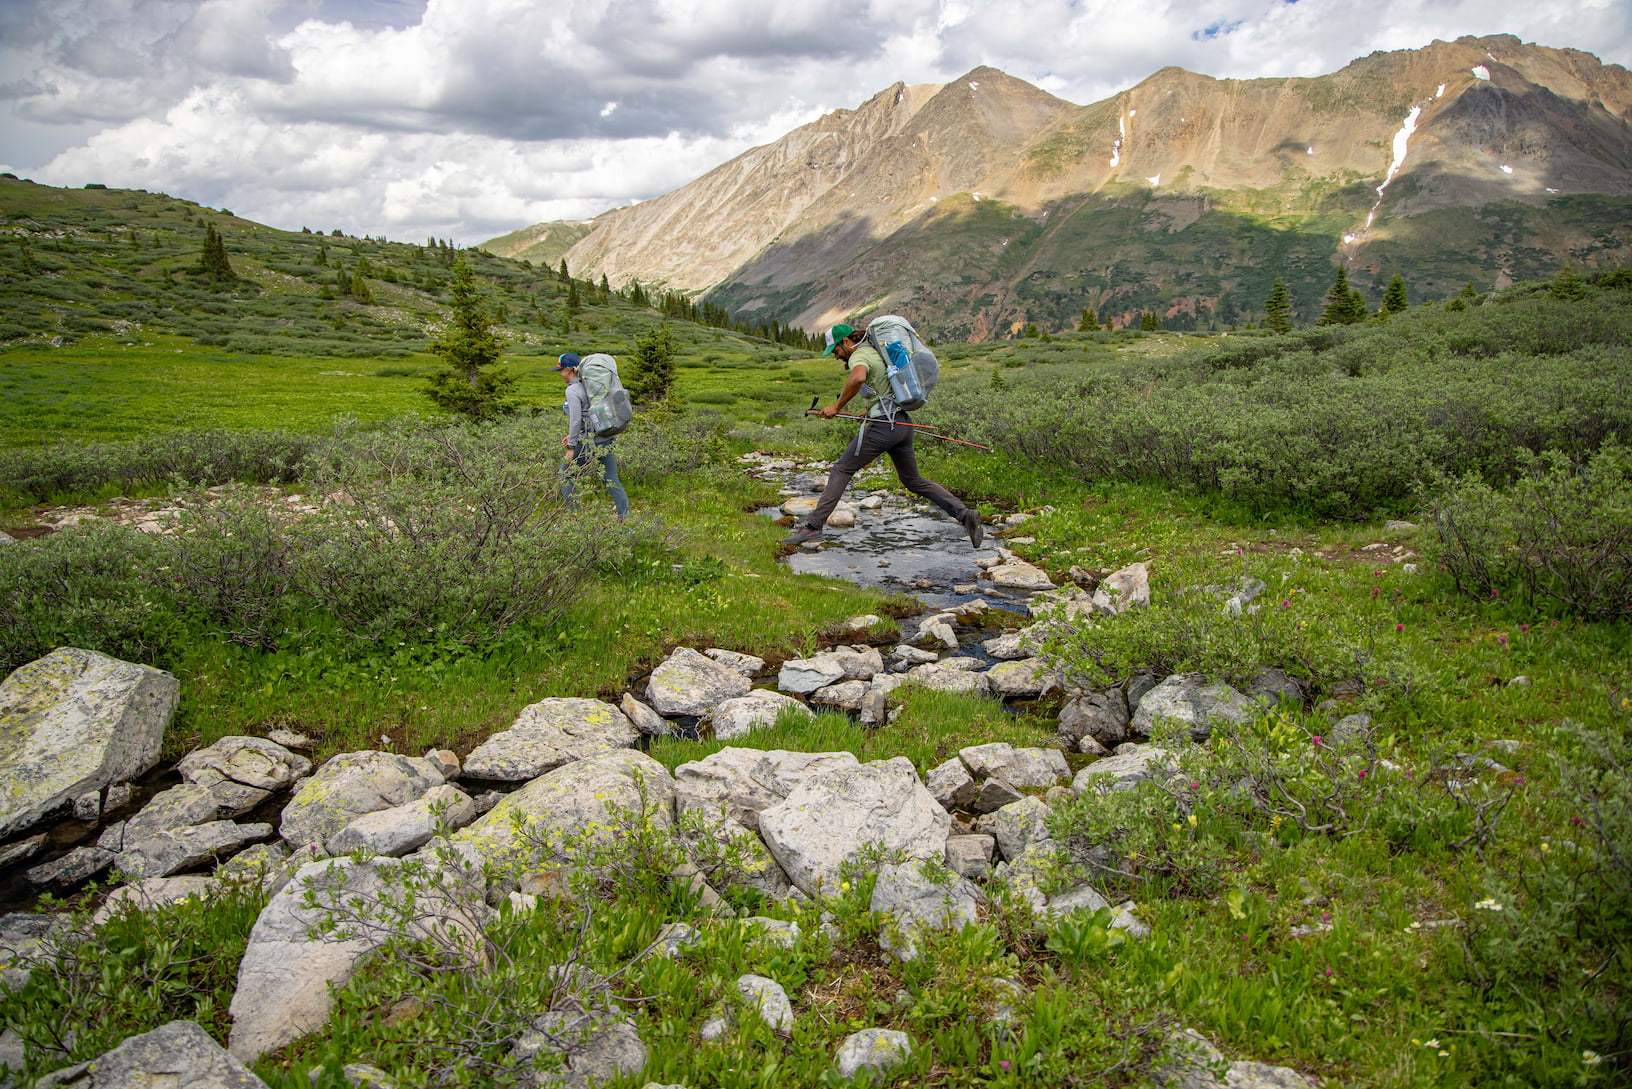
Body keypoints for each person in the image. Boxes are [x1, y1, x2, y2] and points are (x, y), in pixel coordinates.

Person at [782, 323, 982, 547]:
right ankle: (965, 515)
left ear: (846, 343)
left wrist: (837, 406)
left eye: (836, 351)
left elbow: (857, 379)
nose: (837, 357)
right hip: (902, 424)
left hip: (885, 427)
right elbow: (885, 390)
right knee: (912, 480)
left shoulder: (860, 356)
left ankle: (812, 528)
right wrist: (869, 411)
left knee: (842, 469)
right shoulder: (874, 353)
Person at [554, 352, 630, 519]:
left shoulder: (573, 390)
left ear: (569, 370)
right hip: (606, 438)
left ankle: (573, 520)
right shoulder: (591, 386)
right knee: (611, 479)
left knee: (565, 475)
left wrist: (571, 446)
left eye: (561, 371)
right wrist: (572, 434)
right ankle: (626, 521)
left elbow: (575, 420)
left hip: (588, 441)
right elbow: (589, 414)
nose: (560, 374)